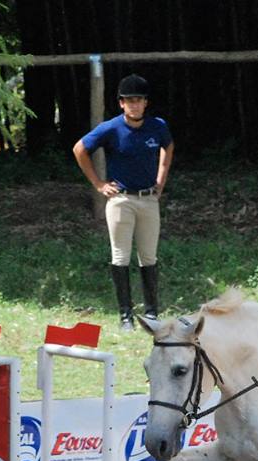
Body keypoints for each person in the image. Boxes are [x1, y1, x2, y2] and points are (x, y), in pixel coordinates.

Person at [73, 74, 174, 330]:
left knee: (149, 256)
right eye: (129, 101)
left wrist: (161, 179)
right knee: (120, 256)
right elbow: (80, 149)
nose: (134, 105)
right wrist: (99, 184)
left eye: (138, 100)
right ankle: (126, 315)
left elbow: (168, 146)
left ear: (145, 102)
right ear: (121, 103)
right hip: (121, 200)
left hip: (148, 198)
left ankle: (151, 313)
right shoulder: (111, 128)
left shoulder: (157, 126)